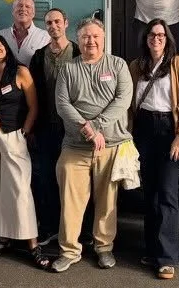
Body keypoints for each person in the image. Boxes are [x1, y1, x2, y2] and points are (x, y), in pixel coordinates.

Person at [51, 18, 133, 273]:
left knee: (107, 202)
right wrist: (86, 129)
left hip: (111, 145)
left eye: (96, 36)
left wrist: (96, 125)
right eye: (86, 36)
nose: (91, 41)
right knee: (70, 202)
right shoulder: (68, 69)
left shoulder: (117, 65)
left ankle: (104, 248)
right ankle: (69, 251)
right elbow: (62, 104)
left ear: (103, 38)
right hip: (75, 146)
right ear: (78, 40)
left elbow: (123, 100)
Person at [0, 34, 49, 268]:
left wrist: (25, 131)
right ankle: (1, 239)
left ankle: (33, 244)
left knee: (19, 188)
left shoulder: (20, 71)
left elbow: (34, 106)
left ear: (5, 47)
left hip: (13, 134)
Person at [129, 19, 179, 280]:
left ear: (167, 39)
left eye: (161, 35)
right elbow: (129, 101)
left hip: (168, 129)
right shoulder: (136, 65)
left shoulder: (177, 64)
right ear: (145, 39)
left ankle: (167, 258)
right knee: (150, 193)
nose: (156, 39)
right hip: (143, 128)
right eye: (151, 35)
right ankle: (152, 250)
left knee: (167, 193)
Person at [28, 8, 80, 244]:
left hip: (73, 129)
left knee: (74, 181)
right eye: (49, 23)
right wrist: (31, 127)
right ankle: (49, 227)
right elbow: (31, 95)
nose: (53, 26)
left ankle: (77, 230)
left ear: (66, 23)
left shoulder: (78, 52)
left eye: (58, 21)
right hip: (45, 127)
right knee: (47, 179)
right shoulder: (39, 57)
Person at [0, 0, 50, 66]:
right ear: (13, 11)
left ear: (33, 13)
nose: (23, 9)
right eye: (19, 5)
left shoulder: (46, 37)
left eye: (27, 6)